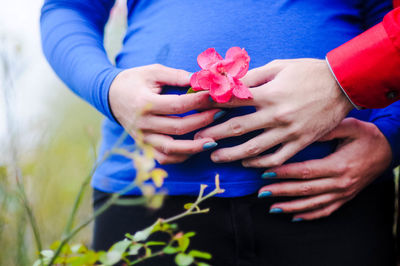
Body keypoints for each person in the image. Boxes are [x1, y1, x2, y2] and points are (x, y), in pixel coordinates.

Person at [40, 0, 399, 265]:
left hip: (333, 195)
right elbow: (66, 8)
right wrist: (108, 87)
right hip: (148, 199)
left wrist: (391, 137)